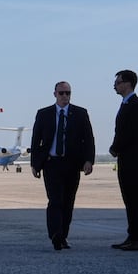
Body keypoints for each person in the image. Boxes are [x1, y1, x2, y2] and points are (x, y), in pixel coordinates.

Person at [31, 81, 95, 251]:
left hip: (72, 164)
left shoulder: (80, 114)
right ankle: (55, 235)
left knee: (68, 202)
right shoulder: (44, 114)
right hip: (52, 164)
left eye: (68, 93)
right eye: (62, 93)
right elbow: (36, 140)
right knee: (55, 201)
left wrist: (88, 160)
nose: (65, 96)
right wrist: (35, 164)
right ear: (55, 94)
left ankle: (63, 236)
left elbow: (88, 139)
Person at [110, 69, 138, 251]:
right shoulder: (127, 104)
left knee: (137, 199)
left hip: (132, 157)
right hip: (126, 158)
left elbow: (130, 133)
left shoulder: (136, 105)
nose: (115, 85)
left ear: (127, 83)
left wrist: (115, 147)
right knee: (129, 199)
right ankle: (132, 235)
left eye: (118, 82)